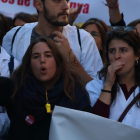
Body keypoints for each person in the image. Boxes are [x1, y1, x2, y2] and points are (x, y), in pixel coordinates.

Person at [0, 37, 91, 140]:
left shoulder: (76, 93)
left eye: (48, 55)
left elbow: (88, 130)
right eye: (36, 56)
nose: (42, 60)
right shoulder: (15, 88)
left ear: (57, 61)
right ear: (29, 64)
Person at [2, 0, 103, 86]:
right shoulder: (14, 36)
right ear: (39, 5)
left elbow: (97, 90)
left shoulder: (84, 39)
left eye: (67, 0)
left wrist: (71, 58)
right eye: (57, 0)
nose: (65, 6)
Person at [86, 28, 140, 129]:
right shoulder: (96, 86)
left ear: (137, 55)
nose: (117, 56)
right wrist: (108, 84)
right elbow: (97, 126)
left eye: (123, 50)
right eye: (112, 51)